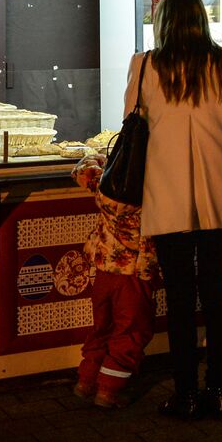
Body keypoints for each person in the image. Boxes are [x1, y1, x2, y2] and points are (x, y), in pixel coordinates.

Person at [135, 0, 222, 420]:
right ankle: (218, 390)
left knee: (181, 300)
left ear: (162, 21)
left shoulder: (146, 66)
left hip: (167, 199)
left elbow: (133, 128)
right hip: (221, 196)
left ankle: (184, 393)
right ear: (202, 19)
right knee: (216, 295)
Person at [71, 153, 159, 409]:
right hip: (133, 273)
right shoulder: (151, 193)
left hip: (104, 270)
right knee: (130, 331)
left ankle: (86, 380)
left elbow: (81, 170)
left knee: (103, 326)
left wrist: (101, 158)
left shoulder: (105, 186)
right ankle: (109, 390)